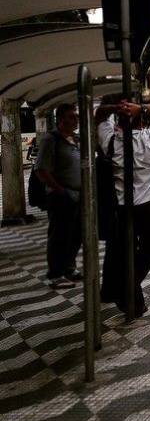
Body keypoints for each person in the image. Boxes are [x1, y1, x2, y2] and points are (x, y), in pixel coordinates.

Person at [96, 99, 150, 317]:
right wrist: (142, 108)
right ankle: (128, 291)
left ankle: (128, 296)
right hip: (146, 209)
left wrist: (116, 107)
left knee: (125, 252)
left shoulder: (110, 142)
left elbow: (100, 114)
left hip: (120, 210)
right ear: (142, 122)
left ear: (117, 123)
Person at [34, 103, 82, 289]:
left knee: (75, 234)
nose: (75, 119)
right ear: (61, 119)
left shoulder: (75, 139)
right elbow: (40, 169)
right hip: (61, 196)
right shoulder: (51, 140)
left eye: (76, 116)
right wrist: (60, 190)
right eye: (71, 116)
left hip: (77, 196)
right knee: (59, 235)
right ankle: (55, 273)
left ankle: (69, 267)